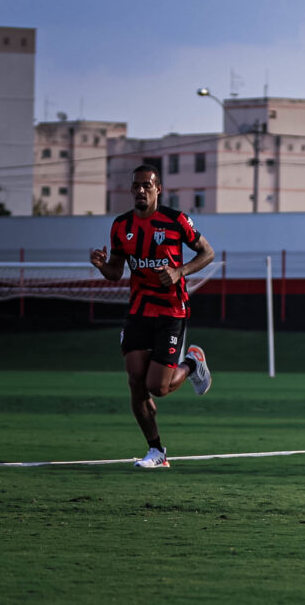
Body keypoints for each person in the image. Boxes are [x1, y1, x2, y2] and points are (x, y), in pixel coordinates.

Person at [89, 164, 215, 469]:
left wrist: (178, 272)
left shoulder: (176, 221)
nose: (141, 190)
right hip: (138, 310)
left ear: (158, 189)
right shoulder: (121, 226)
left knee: (158, 387)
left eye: (147, 185)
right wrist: (101, 265)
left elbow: (207, 253)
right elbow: (116, 272)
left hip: (172, 311)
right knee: (135, 381)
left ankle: (192, 362)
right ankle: (156, 451)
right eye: (136, 186)